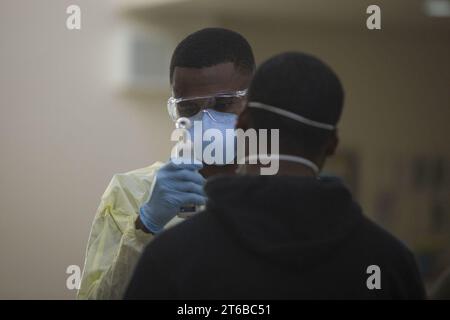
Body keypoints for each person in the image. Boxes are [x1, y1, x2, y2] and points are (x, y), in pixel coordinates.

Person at [124, 52, 427, 299]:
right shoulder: (389, 264)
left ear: (243, 122)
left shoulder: (175, 258)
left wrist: (148, 227)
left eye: (221, 104)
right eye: (189, 108)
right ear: (333, 143)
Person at [77, 28, 255, 299]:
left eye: (223, 104)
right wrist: (145, 227)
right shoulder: (130, 192)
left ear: (252, 102)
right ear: (174, 108)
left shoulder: (275, 193)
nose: (206, 121)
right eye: (189, 108)